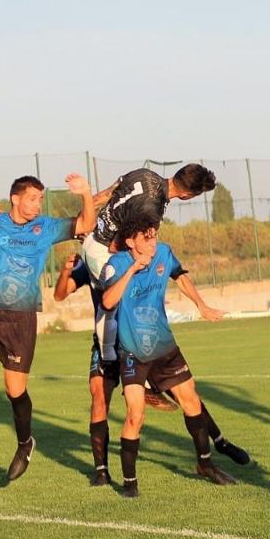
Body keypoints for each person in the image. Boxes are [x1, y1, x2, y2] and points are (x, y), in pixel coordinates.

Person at [0, 174, 95, 483]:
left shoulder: (46, 227)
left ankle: (25, 445)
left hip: (21, 319)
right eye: (33, 199)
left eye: (40, 199)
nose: (38, 204)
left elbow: (84, 225)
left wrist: (87, 195)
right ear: (16, 198)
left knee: (15, 390)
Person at [53, 251, 248, 487]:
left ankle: (218, 444)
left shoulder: (134, 253)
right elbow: (60, 294)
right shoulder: (92, 259)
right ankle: (102, 471)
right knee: (99, 396)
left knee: (185, 393)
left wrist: (199, 304)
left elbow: (173, 274)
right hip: (105, 342)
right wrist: (65, 271)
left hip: (140, 341)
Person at [101, 220, 240, 497]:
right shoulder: (115, 264)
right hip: (132, 351)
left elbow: (181, 276)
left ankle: (205, 464)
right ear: (131, 242)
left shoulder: (164, 253)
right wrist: (133, 269)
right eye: (147, 238)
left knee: (192, 401)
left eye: (155, 237)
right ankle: (130, 483)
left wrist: (200, 304)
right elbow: (107, 302)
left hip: (164, 347)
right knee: (135, 415)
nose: (153, 243)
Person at [82, 164, 217, 411]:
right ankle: (126, 373)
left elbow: (108, 193)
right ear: (188, 195)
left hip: (92, 239)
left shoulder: (146, 174)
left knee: (124, 302)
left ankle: (129, 368)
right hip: (103, 249)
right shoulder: (151, 209)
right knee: (121, 303)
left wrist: (86, 216)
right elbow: (117, 246)